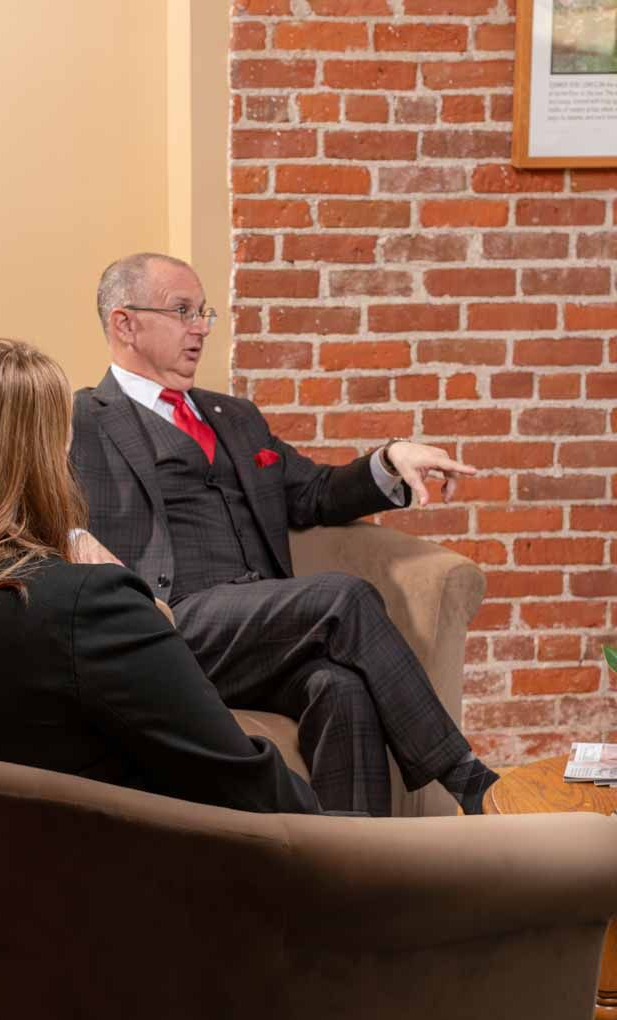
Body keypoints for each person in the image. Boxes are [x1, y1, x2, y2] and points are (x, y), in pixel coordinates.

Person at [70, 252, 499, 816]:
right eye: (182, 311)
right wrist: (71, 536)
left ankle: (353, 863)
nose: (201, 328)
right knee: (341, 596)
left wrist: (390, 459)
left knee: (339, 687)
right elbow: (26, 506)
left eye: (204, 313)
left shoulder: (234, 416)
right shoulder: (81, 420)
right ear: (125, 324)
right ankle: (470, 781)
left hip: (259, 626)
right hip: (170, 625)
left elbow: (314, 492)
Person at [0, 337, 319, 815]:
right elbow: (252, 790)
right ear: (43, 461)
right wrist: (146, 612)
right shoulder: (90, 607)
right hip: (110, 875)